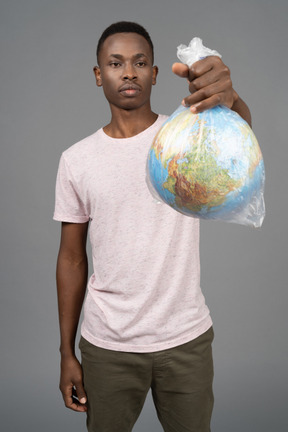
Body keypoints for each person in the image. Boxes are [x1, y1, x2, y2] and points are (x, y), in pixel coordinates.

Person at [54, 21, 252, 432]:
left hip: (186, 338)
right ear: (98, 75)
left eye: (140, 62)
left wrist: (229, 97)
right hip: (108, 345)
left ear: (155, 74)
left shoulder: (184, 134)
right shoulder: (77, 159)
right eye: (115, 63)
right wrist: (66, 353)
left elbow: (239, 135)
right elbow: (71, 259)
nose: (128, 72)